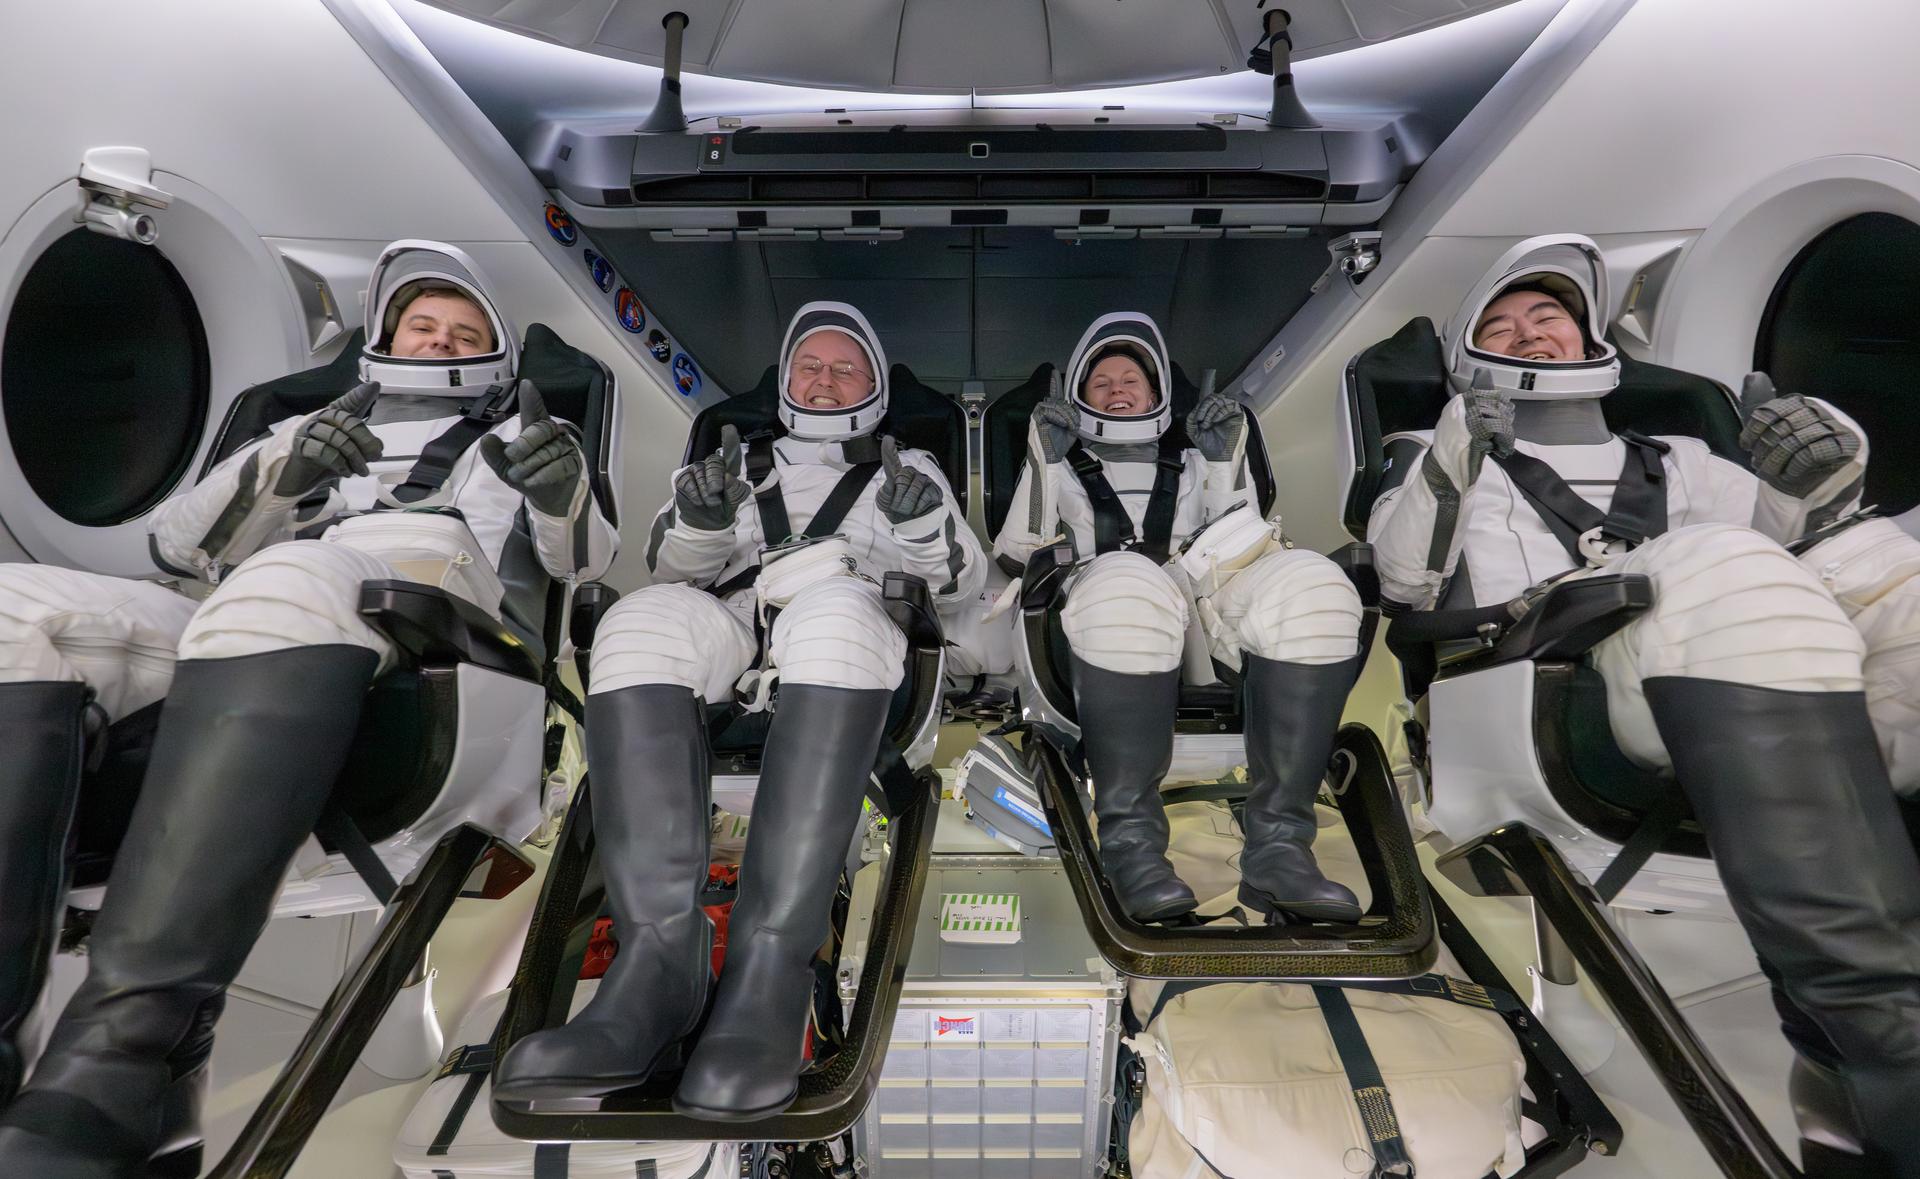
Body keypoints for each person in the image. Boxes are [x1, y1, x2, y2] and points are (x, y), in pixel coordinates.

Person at [0, 239, 616, 1176]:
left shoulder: (522, 439)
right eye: (422, 324)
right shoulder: (296, 428)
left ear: (495, 355)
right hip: (242, 619)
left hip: (434, 615)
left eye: (463, 332)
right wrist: (287, 470)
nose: (440, 339)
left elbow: (582, 560)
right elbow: (177, 546)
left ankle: (122, 1065)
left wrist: (562, 489)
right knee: (18, 609)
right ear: (383, 339)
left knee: (292, 574)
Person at [1367, 233, 1920, 1171]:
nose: (1528, 333)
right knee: (1717, 560)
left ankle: (1851, 1041)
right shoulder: (1436, 455)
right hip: (1545, 687)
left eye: (1547, 316)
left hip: (1738, 664)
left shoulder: (1690, 460)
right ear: (1468, 361)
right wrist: (1457, 449)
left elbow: (1808, 558)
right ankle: (1877, 1038)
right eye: (1501, 325)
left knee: (1883, 563)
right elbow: (1404, 582)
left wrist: (1823, 487)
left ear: (1590, 343)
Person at [492, 301, 983, 1121]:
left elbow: (962, 581)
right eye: (810, 366)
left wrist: (923, 524)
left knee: (833, 616)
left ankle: (770, 971)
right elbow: (670, 565)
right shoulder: (730, 462)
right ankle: (656, 964)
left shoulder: (913, 468)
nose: (825, 381)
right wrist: (701, 520)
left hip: (849, 616)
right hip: (736, 617)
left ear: (874, 386)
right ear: (786, 380)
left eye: (846, 369)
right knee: (637, 620)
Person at [992, 313, 1364, 924]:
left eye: (1130, 380)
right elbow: (1016, 555)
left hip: (1201, 618)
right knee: (1130, 579)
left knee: (1315, 582)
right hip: (1095, 618)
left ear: (1157, 392)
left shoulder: (1195, 464)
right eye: (1101, 383)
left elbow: (1240, 541)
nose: (1116, 390)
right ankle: (1131, 848)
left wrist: (1224, 463)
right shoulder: (1061, 466)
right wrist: (1043, 460)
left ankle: (1280, 851)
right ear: (1080, 398)